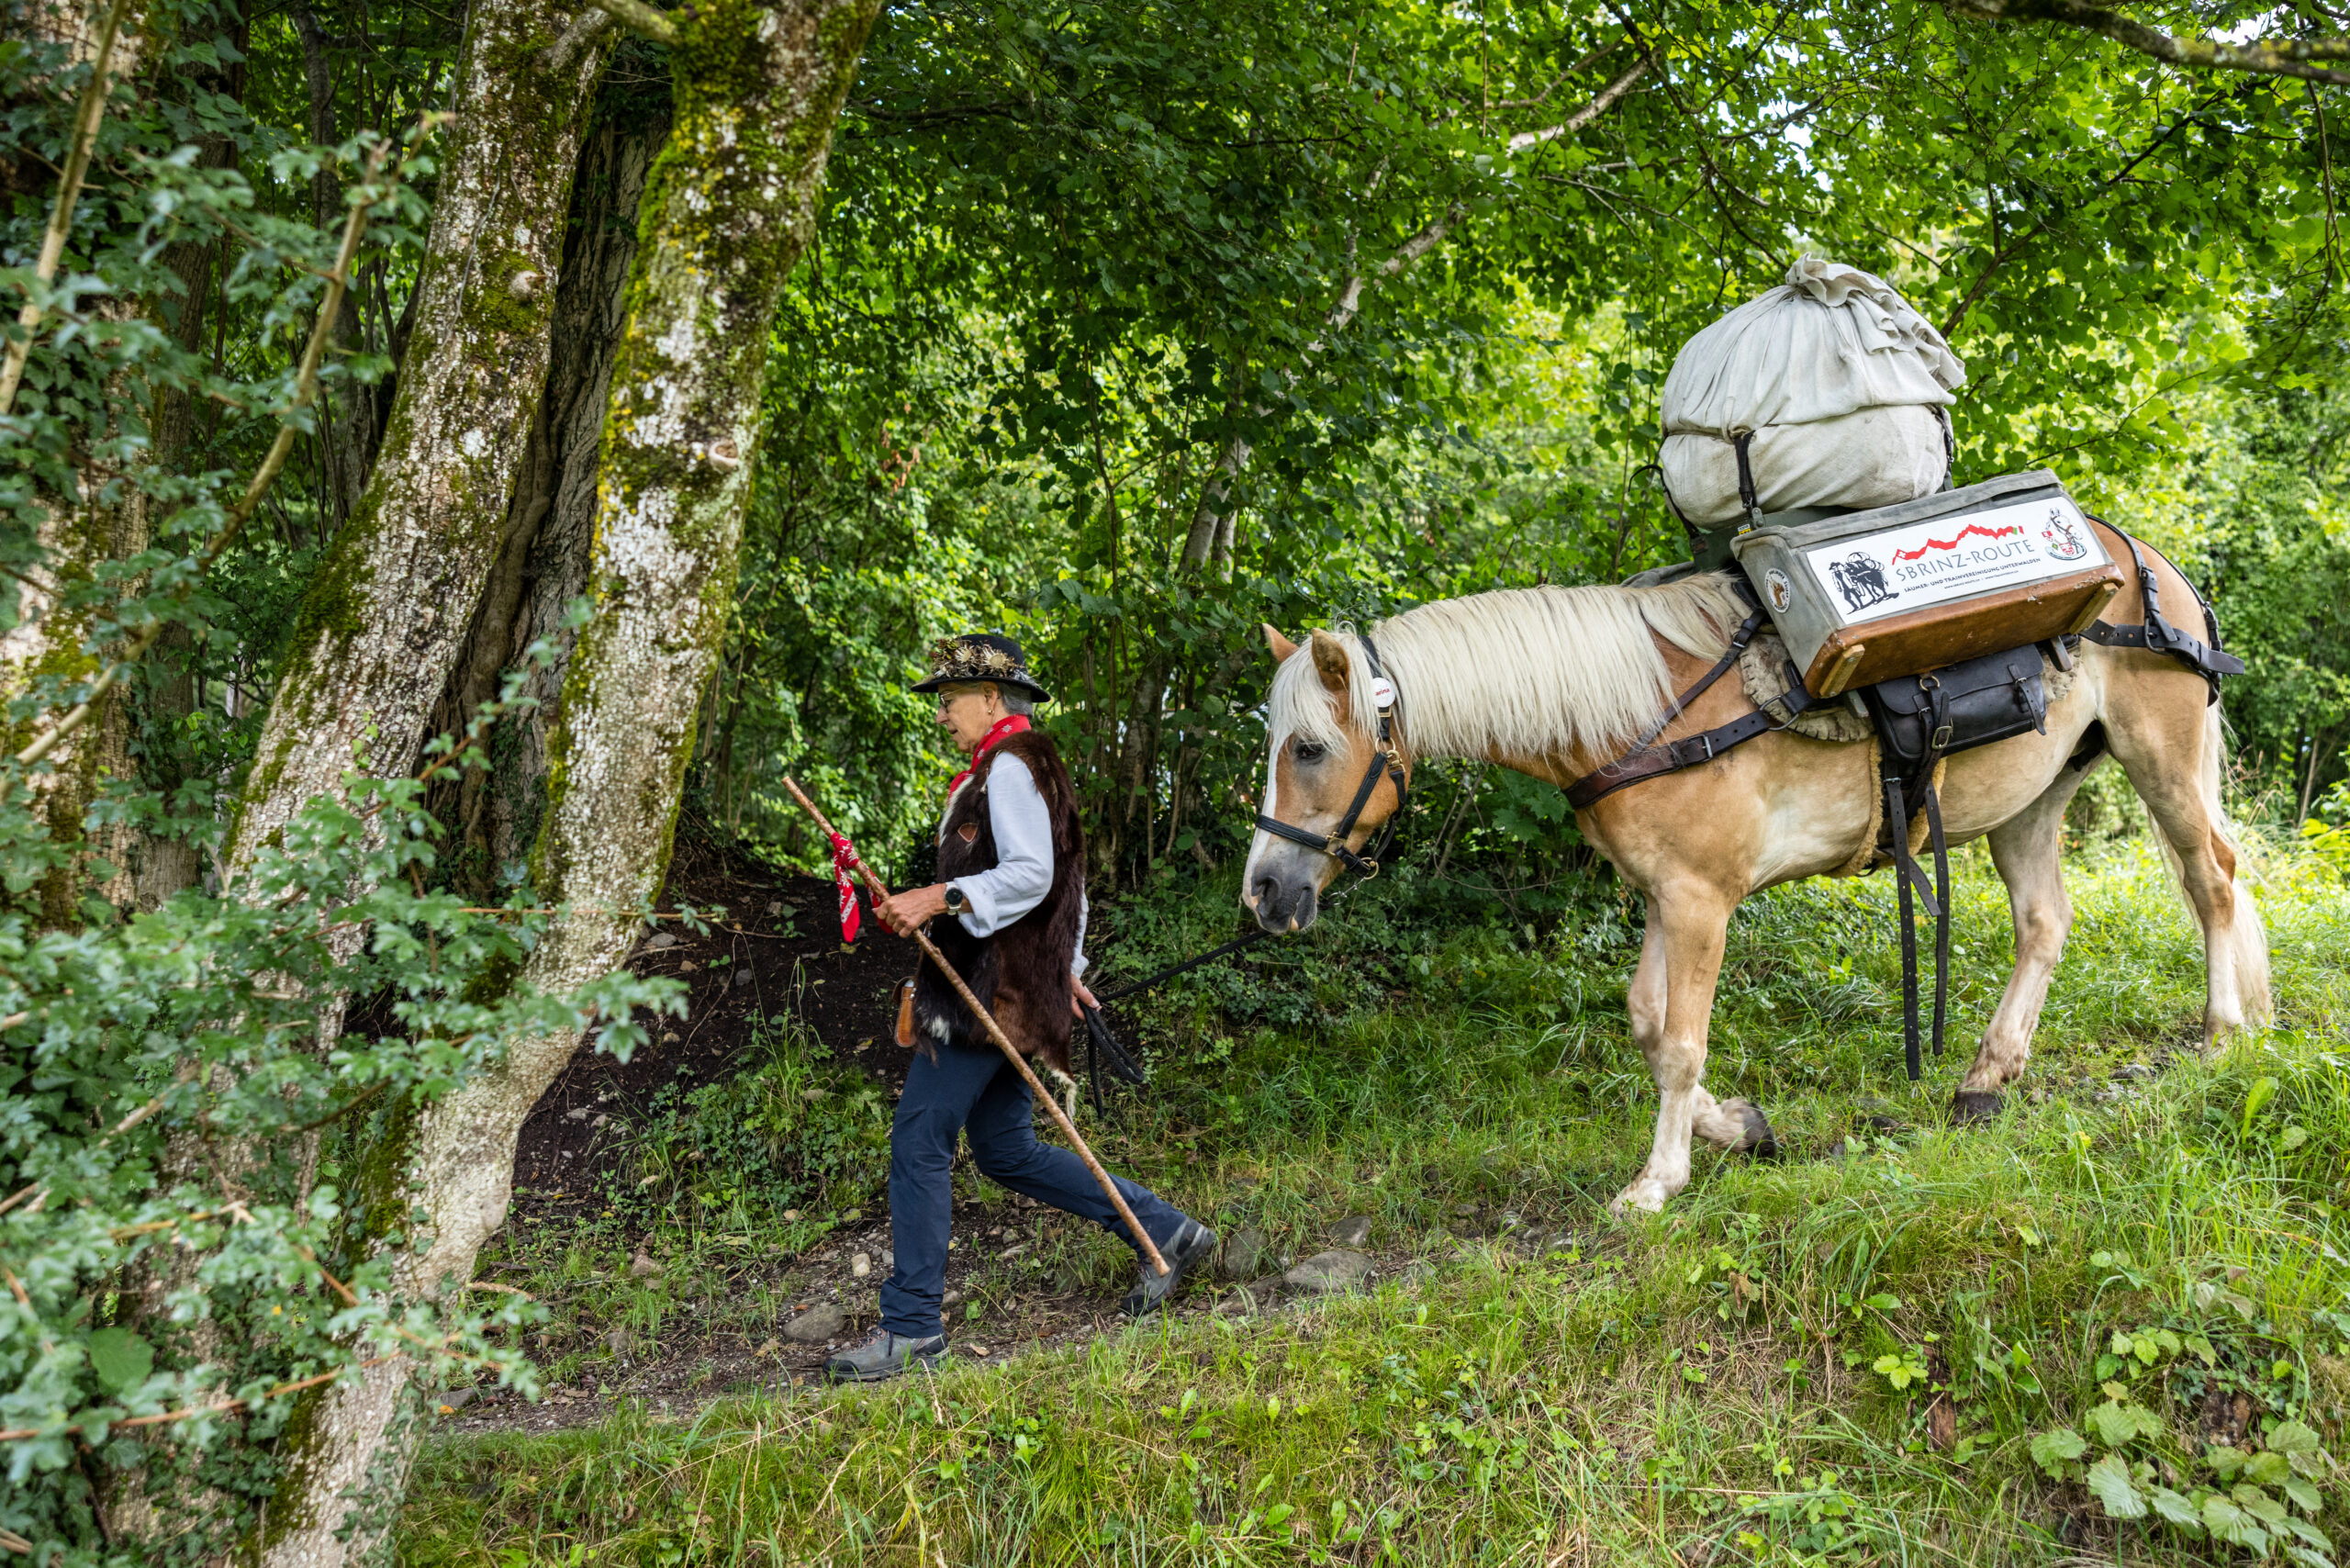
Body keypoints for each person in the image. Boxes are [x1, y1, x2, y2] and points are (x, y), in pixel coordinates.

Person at [822, 634, 1219, 1383]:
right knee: (1005, 1151)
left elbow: (1038, 873)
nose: (943, 715)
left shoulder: (1009, 766)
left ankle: (912, 1330)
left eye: (950, 700)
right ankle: (1166, 1229)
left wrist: (937, 896)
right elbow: (1070, 882)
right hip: (1013, 989)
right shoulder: (1022, 767)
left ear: (992, 699)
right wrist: (1063, 968)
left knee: (919, 1141)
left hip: (986, 995)